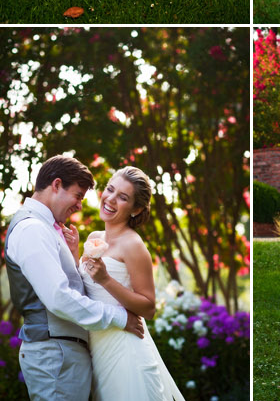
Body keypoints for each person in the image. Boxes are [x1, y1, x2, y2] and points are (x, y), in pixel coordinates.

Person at [4, 155, 144, 401]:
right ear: (56, 185)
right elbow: (58, 298)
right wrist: (120, 317)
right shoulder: (32, 229)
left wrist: (73, 255)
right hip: (54, 354)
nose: (80, 205)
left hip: (63, 354)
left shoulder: (48, 228)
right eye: (78, 195)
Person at [80, 166, 185, 400]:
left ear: (136, 209)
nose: (110, 199)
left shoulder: (134, 245)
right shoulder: (93, 238)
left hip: (125, 349)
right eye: (110, 189)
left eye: (123, 197)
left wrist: (106, 279)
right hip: (96, 348)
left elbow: (149, 308)